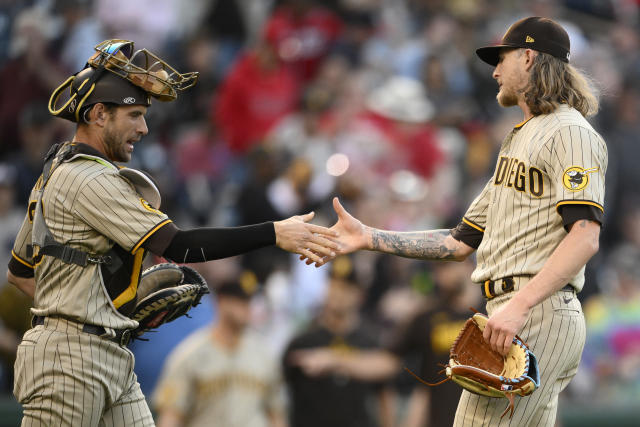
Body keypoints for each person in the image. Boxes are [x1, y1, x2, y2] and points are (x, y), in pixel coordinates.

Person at [6, 39, 338, 426]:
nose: (144, 128)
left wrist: (103, 309)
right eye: (134, 115)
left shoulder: (58, 169)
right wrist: (274, 232)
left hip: (107, 352)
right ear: (99, 114)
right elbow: (178, 244)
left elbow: (20, 273)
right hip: (68, 360)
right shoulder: (88, 177)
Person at [311, 17, 607, 426]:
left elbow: (585, 236)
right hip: (516, 309)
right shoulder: (520, 137)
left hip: (534, 309)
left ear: (529, 56)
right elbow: (459, 241)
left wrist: (519, 306)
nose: (496, 71)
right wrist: (368, 236)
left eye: (502, 59)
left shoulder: (571, 132)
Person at [154, 275, 286, 427]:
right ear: (221, 302)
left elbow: (276, 414)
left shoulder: (265, 354)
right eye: (240, 301)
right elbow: (171, 416)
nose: (247, 308)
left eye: (249, 301)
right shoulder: (190, 354)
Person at [283, 255, 389, 427]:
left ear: (359, 295)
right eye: (334, 284)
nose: (338, 293)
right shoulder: (303, 342)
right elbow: (279, 396)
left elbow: (384, 396)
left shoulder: (371, 343)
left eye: (346, 288)